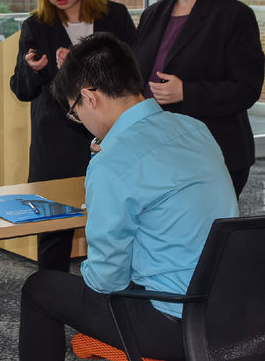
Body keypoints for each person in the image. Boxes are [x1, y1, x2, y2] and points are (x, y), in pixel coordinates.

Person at [18, 32, 238, 361]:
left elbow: (107, 280)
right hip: (234, 308)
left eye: (76, 112)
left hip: (174, 323)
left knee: (39, 289)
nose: (82, 122)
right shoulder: (195, 129)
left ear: (89, 97)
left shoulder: (112, 163)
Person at [10, 0, 136, 272]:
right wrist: (33, 68)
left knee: (113, 232)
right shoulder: (37, 25)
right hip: (56, 146)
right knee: (53, 237)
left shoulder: (116, 17)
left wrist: (81, 67)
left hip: (111, 142)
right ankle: (50, 305)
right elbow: (22, 90)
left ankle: (109, 309)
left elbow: (133, 76)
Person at [134, 0, 264, 198]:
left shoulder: (233, 16)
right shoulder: (152, 15)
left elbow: (246, 89)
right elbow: (136, 79)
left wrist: (186, 92)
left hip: (213, 157)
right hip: (157, 153)